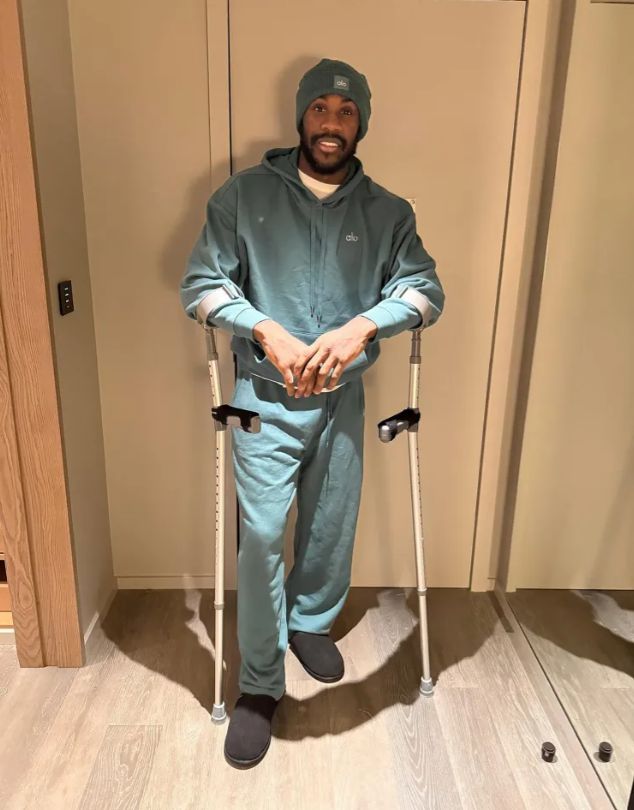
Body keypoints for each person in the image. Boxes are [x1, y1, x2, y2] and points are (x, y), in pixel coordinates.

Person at [180, 57, 445, 768]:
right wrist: (264, 328)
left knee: (331, 523)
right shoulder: (243, 196)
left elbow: (425, 291)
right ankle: (259, 685)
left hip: (342, 398)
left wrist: (364, 326)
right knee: (263, 536)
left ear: (362, 124)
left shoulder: (389, 212)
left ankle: (310, 621)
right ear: (301, 115)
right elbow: (201, 284)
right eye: (321, 108)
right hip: (262, 398)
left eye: (346, 112)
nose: (332, 123)